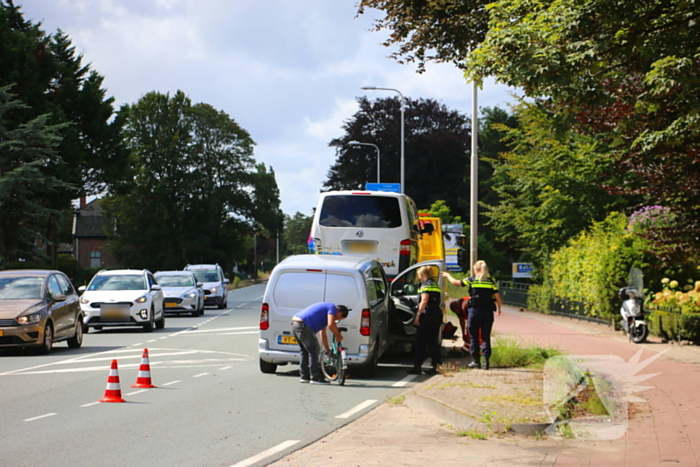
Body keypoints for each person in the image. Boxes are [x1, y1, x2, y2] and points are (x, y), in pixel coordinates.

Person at [443, 260, 502, 370]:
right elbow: (497, 297)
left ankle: (476, 361)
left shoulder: (472, 280)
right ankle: (486, 362)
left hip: (475, 312)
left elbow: (456, 282)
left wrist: (447, 275)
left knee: (474, 336)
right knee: (486, 337)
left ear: (476, 269)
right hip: (488, 312)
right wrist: (499, 309)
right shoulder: (490, 282)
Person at [291, 302, 349, 384]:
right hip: (303, 325)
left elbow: (323, 334)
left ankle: (305, 376)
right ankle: (315, 377)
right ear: (340, 312)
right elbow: (331, 324)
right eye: (339, 318)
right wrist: (338, 335)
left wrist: (327, 350)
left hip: (295, 323)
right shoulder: (332, 307)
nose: (336, 320)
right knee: (314, 351)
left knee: (304, 351)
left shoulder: (324, 314)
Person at [408, 266, 443, 375]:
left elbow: (424, 301)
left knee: (421, 341)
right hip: (436, 314)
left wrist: (418, 315)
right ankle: (436, 366)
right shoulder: (435, 284)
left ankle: (417, 366)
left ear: (422, 275)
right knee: (433, 342)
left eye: (419, 275)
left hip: (427, 315)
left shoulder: (425, 285)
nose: (419, 277)